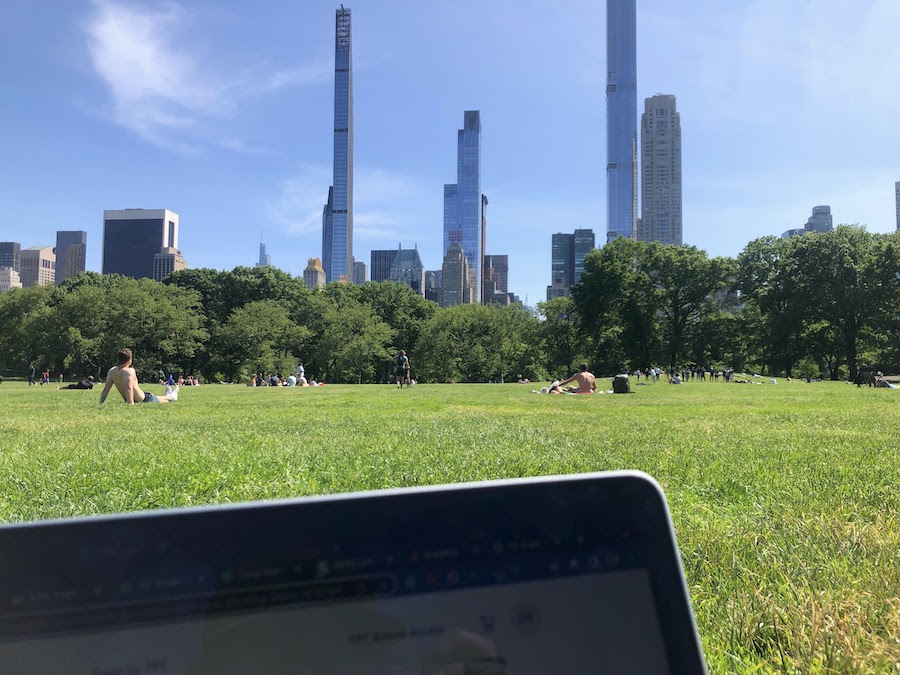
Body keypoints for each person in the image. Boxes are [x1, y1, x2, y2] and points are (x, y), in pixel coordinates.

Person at [99, 348, 179, 404]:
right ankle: (171, 396)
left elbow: (106, 389)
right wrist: (131, 404)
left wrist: (101, 402)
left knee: (161, 399)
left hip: (143, 397)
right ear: (130, 359)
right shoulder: (130, 371)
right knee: (160, 399)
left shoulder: (112, 371)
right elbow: (129, 388)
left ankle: (171, 396)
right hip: (142, 399)